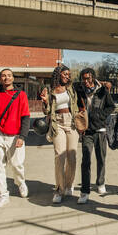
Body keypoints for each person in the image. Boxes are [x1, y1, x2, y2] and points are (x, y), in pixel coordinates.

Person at [0, 68, 30, 208]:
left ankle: (21, 183)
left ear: (13, 78)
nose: (6, 78)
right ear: (0, 79)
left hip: (15, 136)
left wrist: (22, 136)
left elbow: (25, 117)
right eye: (3, 76)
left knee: (17, 165)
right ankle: (3, 195)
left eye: (9, 75)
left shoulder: (21, 95)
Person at [40, 65, 81, 204]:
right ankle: (59, 189)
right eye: (65, 74)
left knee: (72, 156)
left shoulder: (71, 88)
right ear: (58, 75)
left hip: (71, 122)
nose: (67, 76)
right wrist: (45, 101)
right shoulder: (50, 90)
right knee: (60, 156)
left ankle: (69, 185)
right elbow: (46, 111)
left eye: (69, 74)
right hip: (57, 123)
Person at [75, 68, 115, 204]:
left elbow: (111, 106)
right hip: (87, 131)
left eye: (88, 78)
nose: (86, 81)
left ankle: (100, 183)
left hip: (101, 130)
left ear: (93, 78)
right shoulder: (79, 90)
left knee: (101, 158)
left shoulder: (102, 91)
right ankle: (84, 191)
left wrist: (101, 116)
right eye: (84, 78)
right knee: (85, 160)